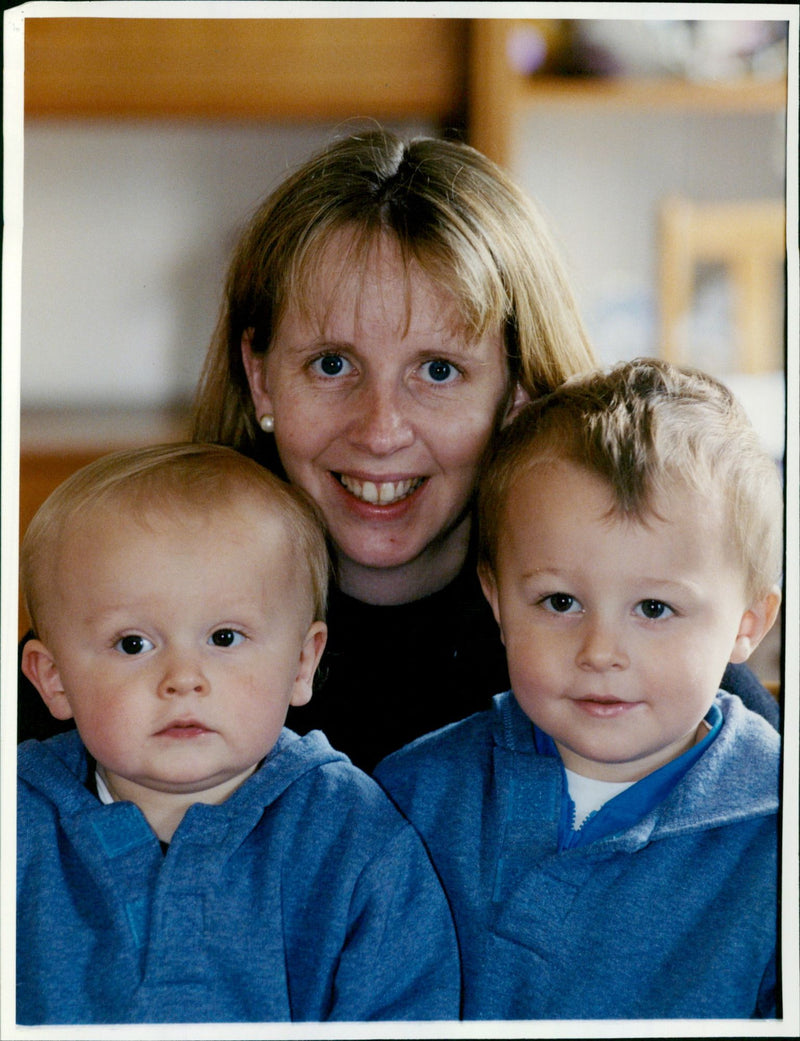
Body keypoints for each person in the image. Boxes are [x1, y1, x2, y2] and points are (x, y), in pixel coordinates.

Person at [18, 128, 779, 767]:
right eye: (332, 364)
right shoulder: (126, 630)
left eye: (439, 371)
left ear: (517, 389)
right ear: (260, 379)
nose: (380, 429)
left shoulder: (628, 648)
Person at [374, 359, 783, 1019]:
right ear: (498, 599)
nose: (600, 652)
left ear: (748, 625)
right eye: (560, 600)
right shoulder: (410, 796)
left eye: (653, 608)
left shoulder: (776, 835)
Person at [17, 442, 460, 1025]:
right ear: (54, 681)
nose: (183, 680)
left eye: (224, 638)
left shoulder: (353, 837)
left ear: (303, 663)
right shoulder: (19, 822)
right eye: (133, 644)